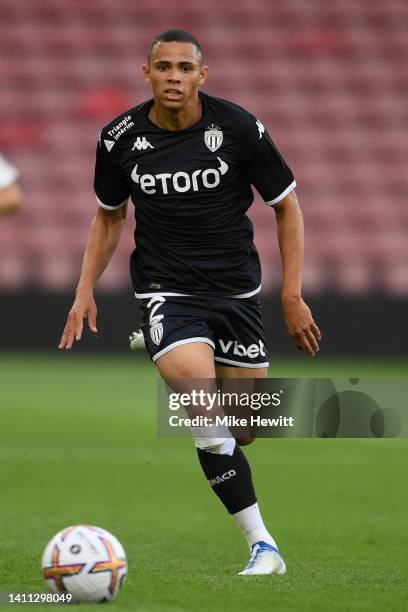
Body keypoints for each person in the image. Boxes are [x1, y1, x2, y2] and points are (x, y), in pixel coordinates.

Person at [59, 29, 321, 576]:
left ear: (202, 75)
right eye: (163, 67)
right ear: (146, 73)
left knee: (244, 428)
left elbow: (286, 205)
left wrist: (290, 294)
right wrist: (84, 288)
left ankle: (162, 346)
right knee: (204, 410)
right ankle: (263, 546)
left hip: (236, 292)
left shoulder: (238, 128)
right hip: (166, 287)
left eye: (184, 67)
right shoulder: (120, 139)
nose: (173, 76)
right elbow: (110, 216)